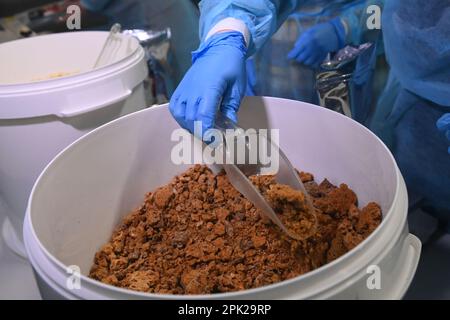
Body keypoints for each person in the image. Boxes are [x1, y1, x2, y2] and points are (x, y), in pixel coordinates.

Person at [169, 0, 450, 226]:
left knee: (362, 164)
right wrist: (228, 33)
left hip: (354, 66)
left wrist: (346, 25)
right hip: (280, 51)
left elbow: (380, 10)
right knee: (411, 194)